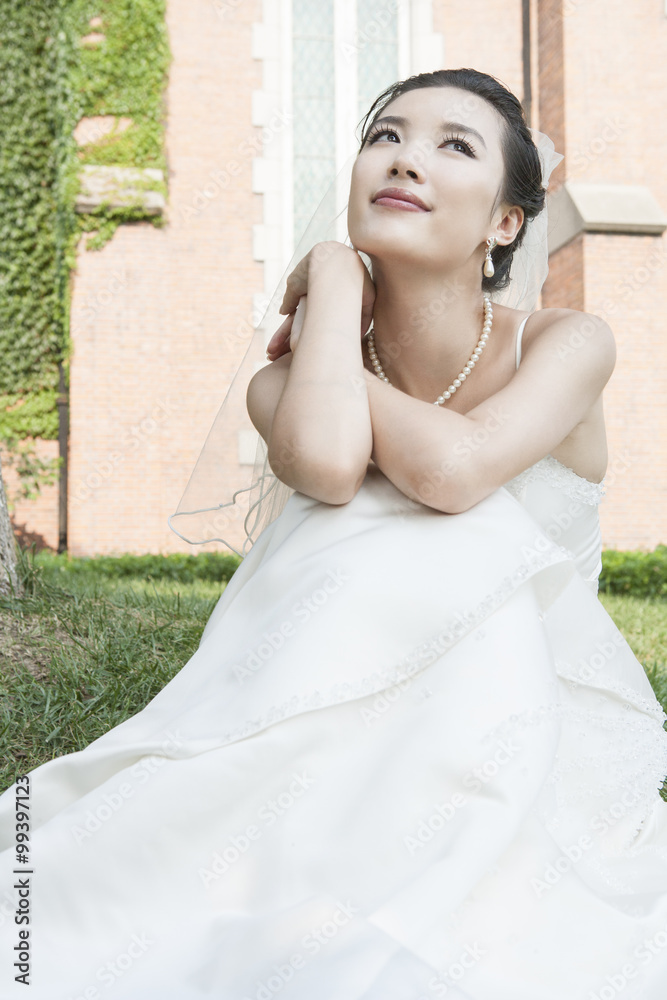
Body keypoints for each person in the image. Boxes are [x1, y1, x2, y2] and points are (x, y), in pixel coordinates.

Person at [1, 68, 667, 1000]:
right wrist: (335, 275)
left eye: (454, 145)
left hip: (527, 717)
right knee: (346, 510)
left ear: (504, 225)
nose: (404, 157)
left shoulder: (566, 342)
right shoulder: (289, 377)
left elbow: (452, 472)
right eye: (386, 134)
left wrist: (332, 324)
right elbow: (321, 463)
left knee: (449, 526)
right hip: (315, 695)